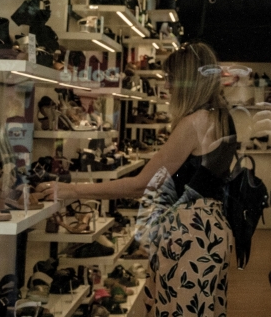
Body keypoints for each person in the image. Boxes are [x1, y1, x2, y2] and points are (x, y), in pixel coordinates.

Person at [37, 42, 237, 317]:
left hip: (189, 232)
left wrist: (71, 190)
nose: (167, 86)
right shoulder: (223, 117)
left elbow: (141, 184)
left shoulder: (194, 122)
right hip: (212, 228)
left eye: (171, 79)